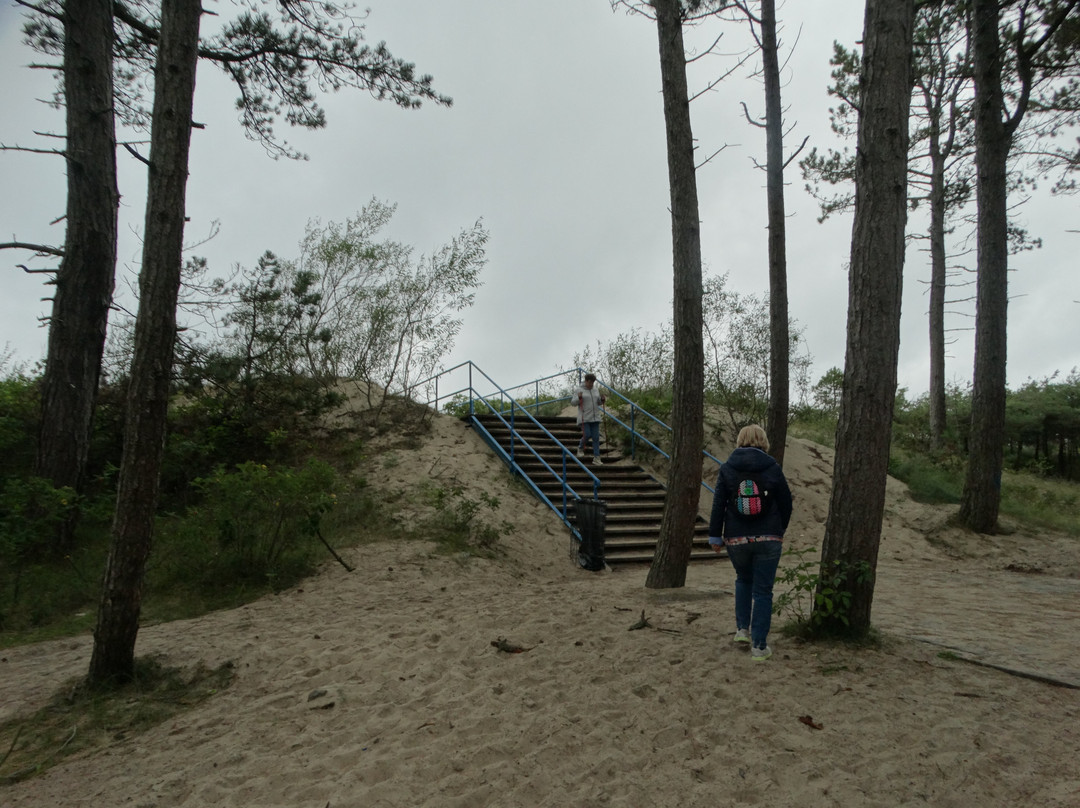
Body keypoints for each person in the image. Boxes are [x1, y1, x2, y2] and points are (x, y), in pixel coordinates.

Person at [708, 424, 793, 661]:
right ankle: (759, 646)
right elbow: (787, 502)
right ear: (763, 440)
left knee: (743, 580)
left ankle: (742, 630)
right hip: (768, 537)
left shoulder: (727, 468)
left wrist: (715, 535)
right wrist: (780, 528)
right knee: (763, 591)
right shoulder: (773, 467)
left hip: (737, 538)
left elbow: (718, 504)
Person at [571, 373, 606, 465]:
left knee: (596, 438)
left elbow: (597, 402)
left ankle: (597, 458)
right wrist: (579, 398)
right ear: (586, 381)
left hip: (595, 417)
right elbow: (573, 403)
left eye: (593, 383)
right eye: (590, 382)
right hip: (584, 417)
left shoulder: (595, 390)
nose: (591, 384)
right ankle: (580, 447)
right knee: (587, 434)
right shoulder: (579, 389)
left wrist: (602, 400)